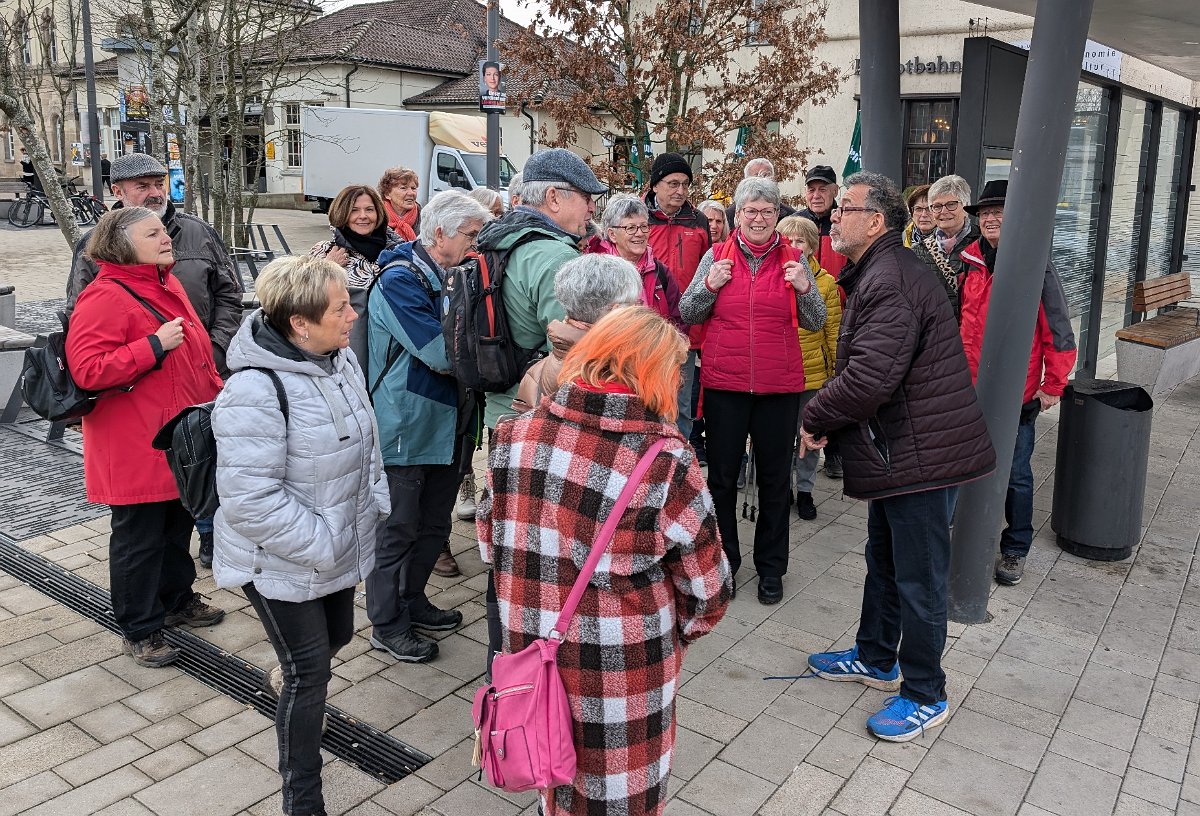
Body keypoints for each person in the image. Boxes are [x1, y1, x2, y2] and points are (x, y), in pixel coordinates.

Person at [479, 305, 731, 816]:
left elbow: (491, 545)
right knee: (623, 799)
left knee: (552, 778)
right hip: (624, 667)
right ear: (655, 375)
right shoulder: (665, 461)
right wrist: (675, 632)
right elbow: (709, 591)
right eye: (676, 370)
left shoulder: (512, 435)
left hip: (531, 651)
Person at [799, 172, 995, 743]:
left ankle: (925, 693)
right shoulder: (879, 270)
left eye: (846, 209)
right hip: (900, 452)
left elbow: (869, 379)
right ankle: (876, 655)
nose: (834, 216)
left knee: (920, 577)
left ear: (878, 221)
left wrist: (815, 417)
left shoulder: (891, 278)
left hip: (921, 455)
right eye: (835, 209)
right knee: (884, 560)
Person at [211, 255, 387, 816]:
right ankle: (301, 798)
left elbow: (366, 442)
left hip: (332, 545)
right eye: (341, 307)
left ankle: (286, 671)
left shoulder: (340, 362)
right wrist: (322, 542)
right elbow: (249, 501)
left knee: (338, 639)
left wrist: (374, 500)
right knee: (309, 671)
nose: (354, 316)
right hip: (281, 558)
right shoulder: (255, 391)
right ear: (300, 323)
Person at [67, 151, 243, 571]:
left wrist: (212, 354)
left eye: (157, 183)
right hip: (139, 399)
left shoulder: (198, 233)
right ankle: (143, 623)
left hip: (198, 383)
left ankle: (191, 574)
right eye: (141, 186)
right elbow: (84, 331)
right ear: (118, 192)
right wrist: (154, 346)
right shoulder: (96, 252)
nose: (153, 192)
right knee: (144, 524)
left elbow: (229, 295)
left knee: (186, 495)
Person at [67, 207, 226, 668]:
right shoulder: (104, 295)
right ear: (122, 244)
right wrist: (153, 345)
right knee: (139, 539)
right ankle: (139, 628)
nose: (165, 237)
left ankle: (176, 601)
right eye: (151, 233)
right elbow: (89, 370)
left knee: (177, 527)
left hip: (177, 438)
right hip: (134, 442)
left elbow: (194, 355)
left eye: (163, 230)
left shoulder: (163, 281)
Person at [679, 176, 827, 604]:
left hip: (779, 387)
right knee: (722, 479)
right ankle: (725, 562)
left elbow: (817, 321)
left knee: (776, 481)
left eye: (767, 211)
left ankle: (771, 568)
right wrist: (711, 285)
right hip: (726, 384)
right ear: (737, 215)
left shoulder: (794, 260)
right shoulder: (715, 255)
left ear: (778, 214)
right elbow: (688, 311)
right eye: (751, 210)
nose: (759, 218)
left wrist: (804, 289)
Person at [364, 191, 492, 662]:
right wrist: (490, 352)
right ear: (439, 233)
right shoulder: (399, 280)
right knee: (397, 527)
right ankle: (386, 621)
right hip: (406, 422)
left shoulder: (454, 274)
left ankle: (412, 599)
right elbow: (439, 351)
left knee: (435, 525)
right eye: (470, 236)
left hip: (448, 420)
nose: (476, 246)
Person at [958, 180, 1077, 586]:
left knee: (1016, 475)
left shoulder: (1033, 263)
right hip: (969, 389)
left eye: (998, 212)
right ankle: (966, 533)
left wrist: (1053, 385)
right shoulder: (968, 260)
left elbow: (1058, 330)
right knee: (964, 465)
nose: (990, 219)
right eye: (985, 214)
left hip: (1017, 394)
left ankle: (1015, 546)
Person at [476, 148, 608, 432]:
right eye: (586, 197)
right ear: (553, 198)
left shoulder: (501, 239)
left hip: (503, 409)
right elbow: (573, 354)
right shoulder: (557, 257)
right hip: (542, 417)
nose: (592, 208)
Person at [512, 253, 643, 413]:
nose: (639, 310)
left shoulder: (538, 370)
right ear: (615, 312)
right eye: (636, 303)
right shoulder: (614, 373)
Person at [777, 215, 842, 521]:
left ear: (813, 247)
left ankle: (805, 489)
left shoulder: (826, 282)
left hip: (812, 372)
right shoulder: (771, 277)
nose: (793, 246)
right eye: (787, 240)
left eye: (800, 241)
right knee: (780, 436)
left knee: (809, 437)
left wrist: (836, 373)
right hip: (778, 372)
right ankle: (783, 487)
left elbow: (832, 329)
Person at [643, 152, 711, 442]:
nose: (680, 191)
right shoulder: (638, 219)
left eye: (685, 184)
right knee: (645, 401)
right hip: (643, 328)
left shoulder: (698, 221)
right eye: (673, 183)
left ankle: (679, 464)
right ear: (655, 185)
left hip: (686, 328)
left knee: (681, 404)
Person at [589, 194, 684, 333]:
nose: (640, 233)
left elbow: (678, 319)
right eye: (631, 228)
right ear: (612, 234)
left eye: (644, 226)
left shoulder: (660, 271)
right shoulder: (595, 272)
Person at [911, 174, 980, 320]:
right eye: (937, 206)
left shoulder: (982, 244)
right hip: (934, 334)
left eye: (951, 204)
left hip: (970, 333)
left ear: (966, 206)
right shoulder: (918, 251)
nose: (943, 211)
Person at [310, 184, 402, 288]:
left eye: (369, 209)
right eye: (354, 210)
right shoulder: (324, 251)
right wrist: (329, 267)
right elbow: (306, 296)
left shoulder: (398, 250)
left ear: (378, 213)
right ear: (341, 214)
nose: (363, 216)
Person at [797, 165, 847, 280]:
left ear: (835, 191)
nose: (816, 196)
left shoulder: (846, 222)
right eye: (811, 190)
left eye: (822, 189)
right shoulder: (796, 223)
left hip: (839, 296)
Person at [723, 157, 796, 229]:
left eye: (765, 176)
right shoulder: (727, 217)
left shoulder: (791, 216)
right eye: (756, 176)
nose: (761, 181)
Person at [378, 167, 421, 242]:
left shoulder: (425, 217)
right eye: (403, 188)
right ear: (387, 194)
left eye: (413, 188)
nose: (411, 193)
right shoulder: (378, 218)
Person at [903, 183, 934, 248]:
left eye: (929, 209)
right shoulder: (903, 237)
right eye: (918, 209)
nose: (924, 215)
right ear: (912, 213)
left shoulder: (948, 240)